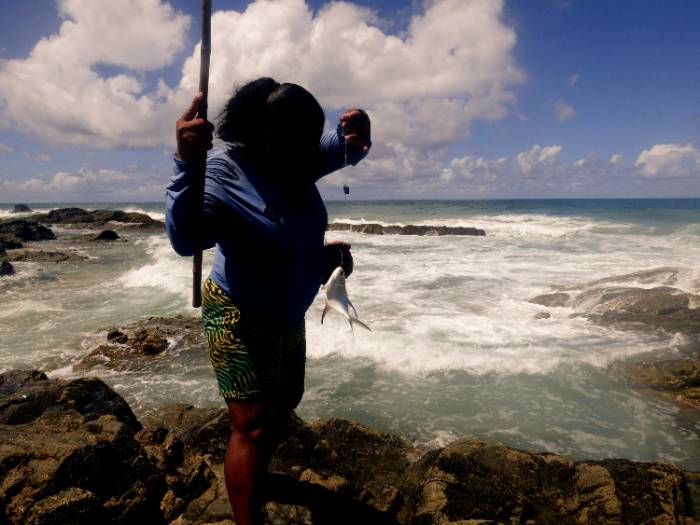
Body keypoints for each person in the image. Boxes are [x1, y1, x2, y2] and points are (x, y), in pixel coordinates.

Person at [165, 77, 371, 525]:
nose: (312, 150)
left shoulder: (296, 156)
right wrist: (186, 164)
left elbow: (348, 147)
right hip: (238, 310)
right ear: (266, 137)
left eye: (313, 138)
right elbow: (185, 239)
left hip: (286, 310)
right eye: (303, 140)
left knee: (286, 401)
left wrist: (360, 129)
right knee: (254, 423)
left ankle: (252, 473)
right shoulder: (222, 171)